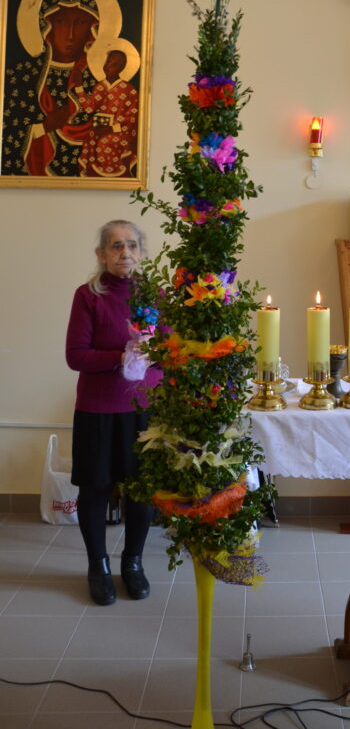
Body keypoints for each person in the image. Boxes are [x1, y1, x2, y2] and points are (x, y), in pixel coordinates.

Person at [65, 220, 162, 605]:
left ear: (142, 252)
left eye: (133, 245)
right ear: (101, 254)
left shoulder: (155, 294)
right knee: (96, 489)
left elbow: (169, 353)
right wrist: (120, 357)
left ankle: (133, 564)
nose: (126, 253)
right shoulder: (88, 295)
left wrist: (157, 359)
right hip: (98, 409)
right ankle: (98, 567)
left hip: (143, 410)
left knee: (141, 491)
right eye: (116, 246)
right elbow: (76, 356)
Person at [2, 0, 99, 176]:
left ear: (91, 30)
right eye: (61, 21)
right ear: (46, 25)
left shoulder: (97, 80)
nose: (70, 34)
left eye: (79, 23)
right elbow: (8, 133)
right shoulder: (21, 75)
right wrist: (44, 127)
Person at [73, 48, 140, 177]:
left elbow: (132, 118)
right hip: (102, 127)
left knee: (105, 142)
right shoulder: (100, 86)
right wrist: (79, 86)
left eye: (114, 64)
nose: (109, 67)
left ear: (122, 67)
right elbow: (89, 108)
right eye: (107, 63)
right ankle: (93, 175)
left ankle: (110, 176)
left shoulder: (129, 90)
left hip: (121, 131)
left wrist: (112, 128)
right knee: (91, 137)